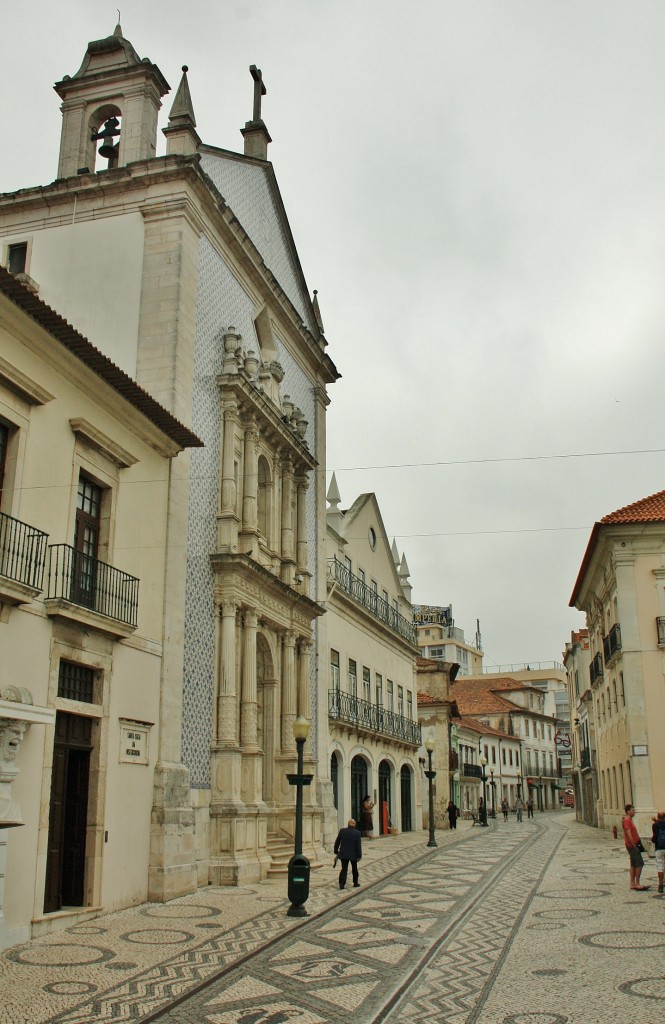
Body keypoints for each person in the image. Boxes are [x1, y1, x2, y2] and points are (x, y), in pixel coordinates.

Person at [622, 803, 648, 891]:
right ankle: (637, 883)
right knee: (639, 863)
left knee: (633, 864)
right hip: (632, 845)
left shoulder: (630, 819)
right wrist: (634, 845)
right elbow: (629, 833)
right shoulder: (627, 820)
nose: (634, 812)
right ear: (628, 811)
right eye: (633, 810)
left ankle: (632, 883)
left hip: (632, 844)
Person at [334, 818, 362, 889]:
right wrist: (359, 855)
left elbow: (337, 841)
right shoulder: (357, 833)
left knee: (344, 868)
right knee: (354, 868)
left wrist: (336, 850)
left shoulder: (342, 831)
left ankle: (342, 883)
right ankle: (355, 882)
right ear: (354, 825)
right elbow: (358, 845)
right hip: (353, 854)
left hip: (343, 853)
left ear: (348, 824)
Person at [651, 810, 665, 894]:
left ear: (657, 817)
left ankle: (660, 884)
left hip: (659, 848)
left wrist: (655, 821)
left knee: (660, 866)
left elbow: (654, 837)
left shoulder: (654, 825)